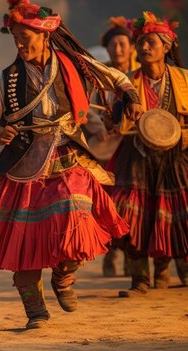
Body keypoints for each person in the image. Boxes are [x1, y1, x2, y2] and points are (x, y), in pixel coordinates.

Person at [0, 0, 142, 329]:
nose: (18, 43)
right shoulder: (8, 80)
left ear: (43, 35)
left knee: (75, 215)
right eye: (14, 37)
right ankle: (36, 313)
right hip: (23, 166)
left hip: (68, 157)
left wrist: (130, 97)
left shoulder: (74, 64)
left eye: (24, 36)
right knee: (24, 243)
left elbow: (115, 77)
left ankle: (63, 276)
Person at [111, 12, 188, 297]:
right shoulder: (126, 83)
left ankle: (168, 269)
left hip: (177, 157)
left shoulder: (183, 79)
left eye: (150, 42)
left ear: (166, 47)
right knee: (132, 217)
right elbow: (113, 118)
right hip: (136, 156)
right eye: (140, 42)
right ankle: (139, 280)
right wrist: (116, 118)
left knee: (176, 216)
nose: (144, 47)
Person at [94, 16, 140, 277]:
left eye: (123, 44)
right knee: (107, 204)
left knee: (133, 205)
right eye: (113, 45)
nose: (118, 49)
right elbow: (87, 109)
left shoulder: (139, 75)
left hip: (135, 147)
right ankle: (109, 254)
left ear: (131, 47)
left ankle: (133, 259)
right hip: (107, 148)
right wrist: (101, 123)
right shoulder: (101, 76)